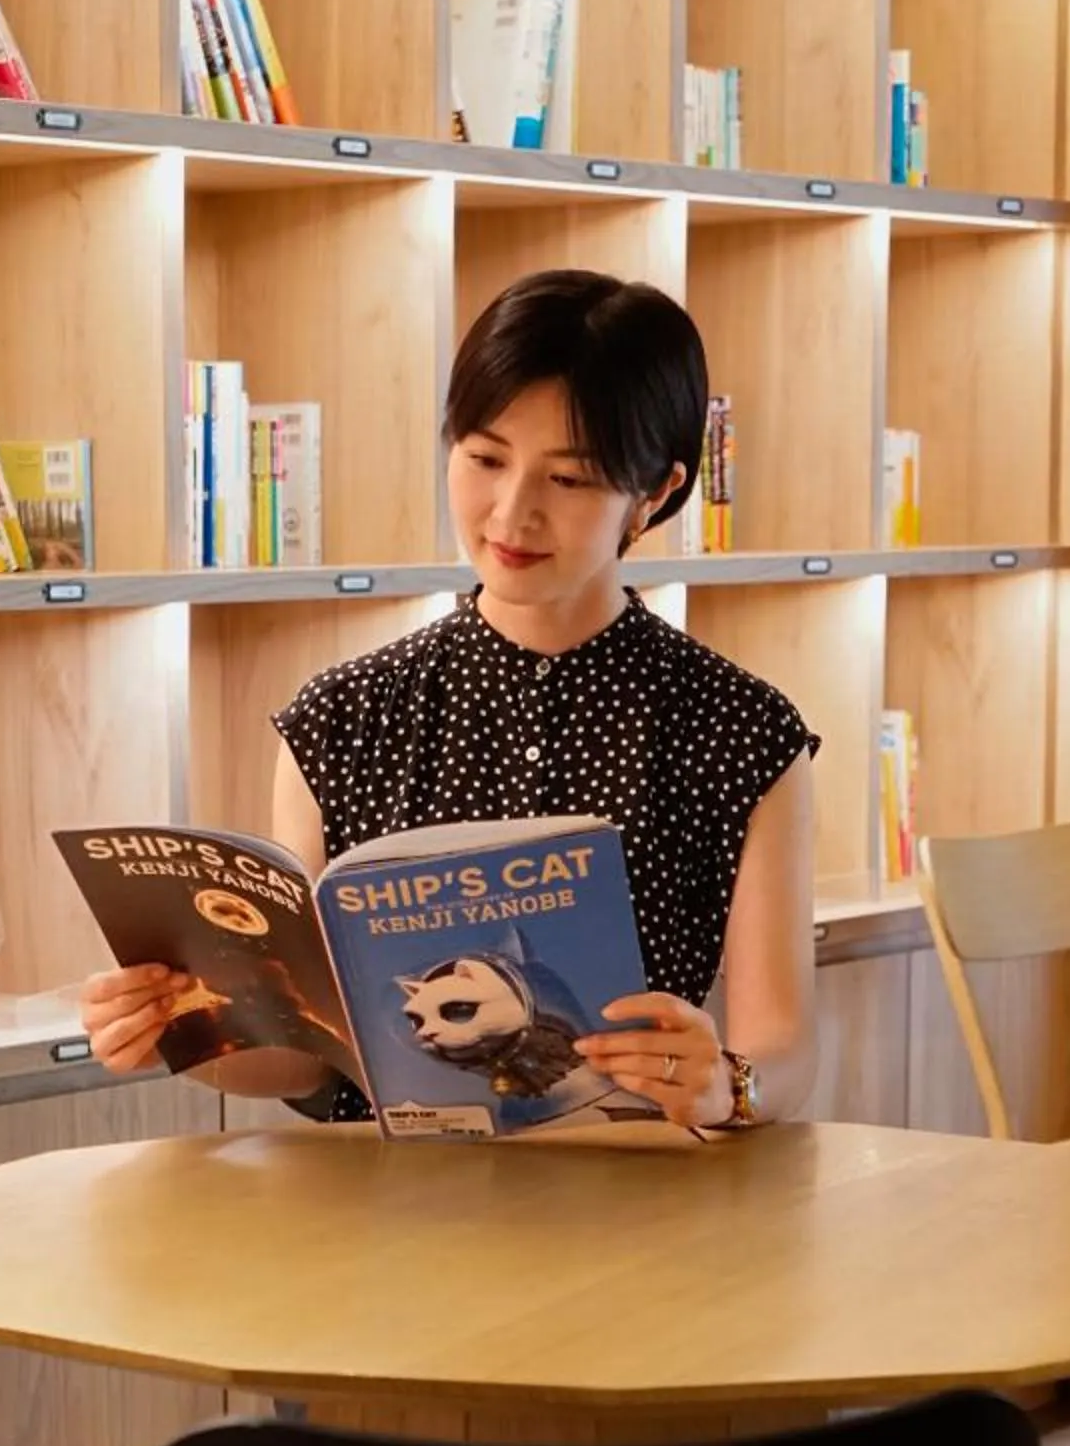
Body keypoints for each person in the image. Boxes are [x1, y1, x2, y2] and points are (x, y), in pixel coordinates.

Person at [82, 268, 820, 1130]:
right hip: (390, 1219)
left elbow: (787, 1050)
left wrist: (728, 1084)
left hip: (634, 1206)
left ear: (654, 494)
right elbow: (310, 1062)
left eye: (571, 480)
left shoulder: (740, 731)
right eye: (484, 458)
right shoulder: (341, 720)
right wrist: (188, 1027)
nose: (511, 513)